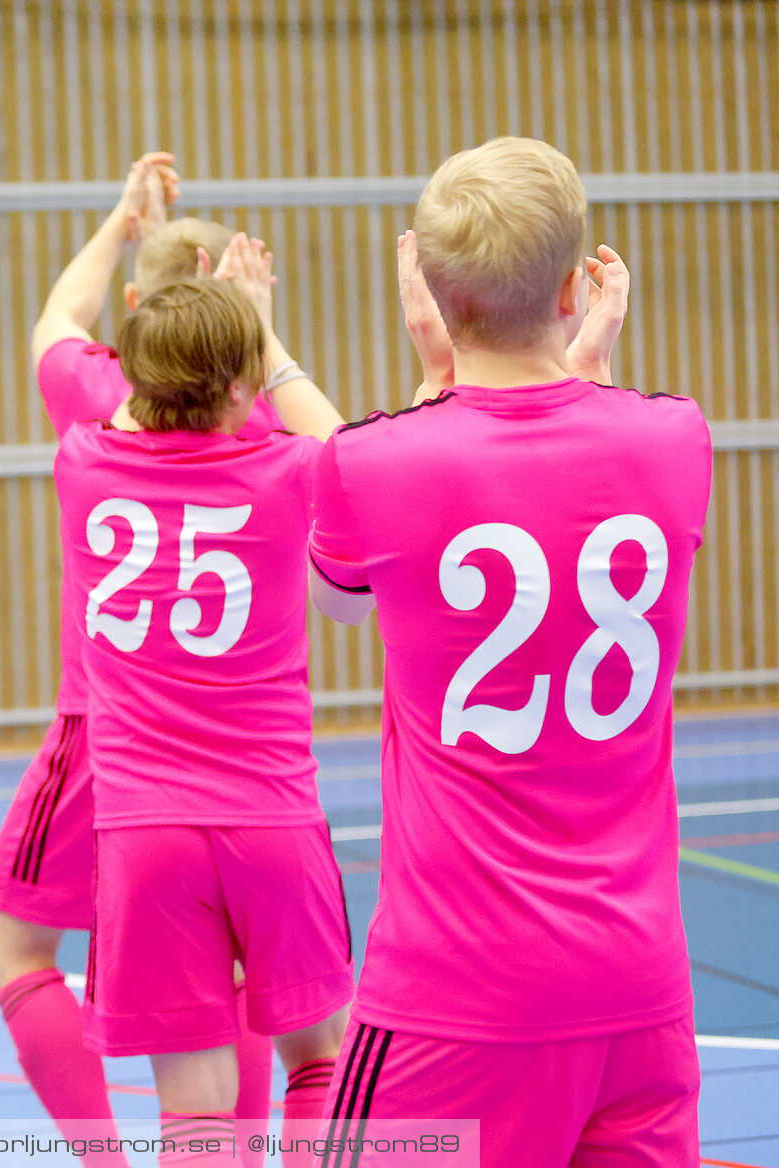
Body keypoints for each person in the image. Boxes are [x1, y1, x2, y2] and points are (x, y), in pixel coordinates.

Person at [309, 137, 694, 1166]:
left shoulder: (373, 460)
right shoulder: (676, 438)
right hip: (639, 993)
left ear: (428, 294)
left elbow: (340, 604)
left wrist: (436, 385)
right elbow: (576, 448)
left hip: (456, 1000)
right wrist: (590, 368)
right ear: (577, 287)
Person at [0, 153, 335, 1159]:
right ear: (239, 356)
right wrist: (268, 346)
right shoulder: (274, 444)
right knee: (277, 1014)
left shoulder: (90, 435)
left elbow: (56, 322)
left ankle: (109, 1153)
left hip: (125, 754)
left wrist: (118, 220)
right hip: (261, 790)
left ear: (136, 319)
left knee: (27, 953)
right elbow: (350, 457)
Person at [54, 261, 351, 1167]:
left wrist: (194, 345)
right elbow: (351, 448)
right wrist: (264, 337)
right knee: (321, 1062)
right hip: (271, 818)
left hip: (145, 835)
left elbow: (70, 344)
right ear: (242, 384)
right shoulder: (290, 471)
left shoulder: (83, 461)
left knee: (193, 1107)